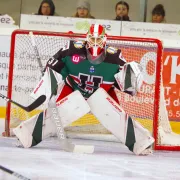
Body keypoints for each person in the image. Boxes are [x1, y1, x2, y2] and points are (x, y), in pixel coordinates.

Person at [13, 24, 154, 155]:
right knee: (57, 114)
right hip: (74, 89)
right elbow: (54, 65)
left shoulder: (115, 57)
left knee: (116, 117)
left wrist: (133, 76)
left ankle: (142, 143)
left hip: (102, 93)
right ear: (87, 38)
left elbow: (127, 86)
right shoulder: (71, 49)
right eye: (92, 38)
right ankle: (25, 134)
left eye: (98, 38)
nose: (95, 42)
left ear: (105, 39)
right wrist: (47, 83)